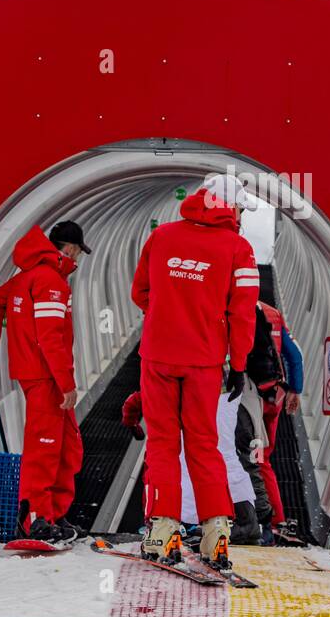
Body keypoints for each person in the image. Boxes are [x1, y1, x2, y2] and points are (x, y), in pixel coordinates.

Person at [131, 172, 260, 568]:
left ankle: (161, 531)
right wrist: (237, 364)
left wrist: (167, 319)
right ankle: (216, 533)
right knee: (204, 445)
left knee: (163, 445)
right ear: (230, 206)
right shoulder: (239, 249)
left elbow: (140, 292)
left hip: (158, 358)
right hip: (205, 363)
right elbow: (242, 314)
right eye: (240, 207)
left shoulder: (162, 237)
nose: (241, 214)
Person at [0, 220, 91, 545]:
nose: (78, 258)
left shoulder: (25, 278)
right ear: (68, 248)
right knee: (45, 446)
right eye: (78, 251)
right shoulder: (51, 282)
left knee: (68, 445)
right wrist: (67, 383)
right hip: (46, 378)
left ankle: (53, 513)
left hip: (37, 374)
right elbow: (50, 338)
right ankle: (34, 517)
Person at [121, 389, 258, 541]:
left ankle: (184, 524)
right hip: (225, 388)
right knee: (224, 454)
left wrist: (132, 423)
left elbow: (144, 393)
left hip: (192, 390)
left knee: (186, 461)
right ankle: (245, 521)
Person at [237, 300, 305, 543]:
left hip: (247, 397)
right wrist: (295, 390)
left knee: (248, 459)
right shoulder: (273, 313)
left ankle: (264, 520)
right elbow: (294, 355)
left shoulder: (232, 306)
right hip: (274, 395)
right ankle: (277, 521)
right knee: (264, 457)